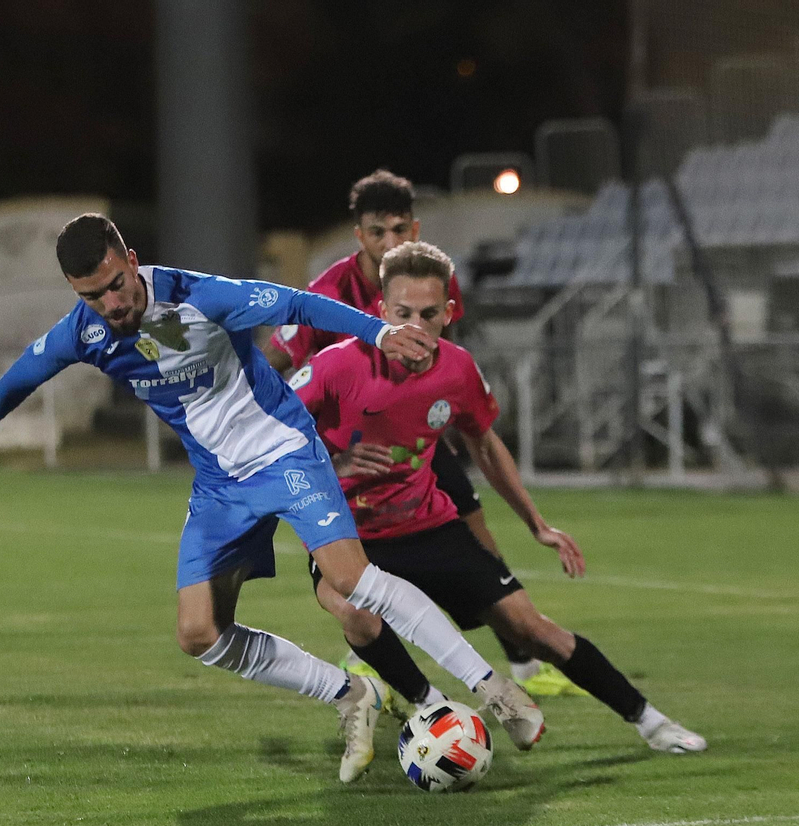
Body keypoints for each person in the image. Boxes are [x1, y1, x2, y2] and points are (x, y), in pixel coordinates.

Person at [0, 213, 546, 783]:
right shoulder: (85, 333)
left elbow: (300, 305)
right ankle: (352, 694)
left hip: (284, 451)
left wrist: (380, 331)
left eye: (117, 284)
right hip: (221, 484)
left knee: (352, 579)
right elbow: (20, 378)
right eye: (92, 295)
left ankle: (493, 689)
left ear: (131, 260)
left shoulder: (199, 296)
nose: (111, 303)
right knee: (199, 633)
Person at [294, 241, 705, 753]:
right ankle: (433, 711)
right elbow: (270, 434)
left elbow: (485, 445)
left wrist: (537, 523)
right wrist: (335, 464)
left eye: (428, 314)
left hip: (431, 528)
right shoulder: (336, 367)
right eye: (402, 314)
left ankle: (651, 722)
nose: (415, 327)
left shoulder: (458, 369)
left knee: (534, 632)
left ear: (447, 314)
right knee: (355, 612)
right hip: (347, 536)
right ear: (380, 311)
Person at [268, 169, 579, 696]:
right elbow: (275, 359)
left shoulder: (432, 279)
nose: (390, 242)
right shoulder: (329, 294)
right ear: (359, 236)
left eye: (398, 230)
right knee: (359, 565)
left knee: (477, 533)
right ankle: (369, 653)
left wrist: (443, 422)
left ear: (412, 230)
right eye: (377, 231)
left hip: (415, 438)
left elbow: (440, 365)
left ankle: (523, 659)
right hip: (349, 450)